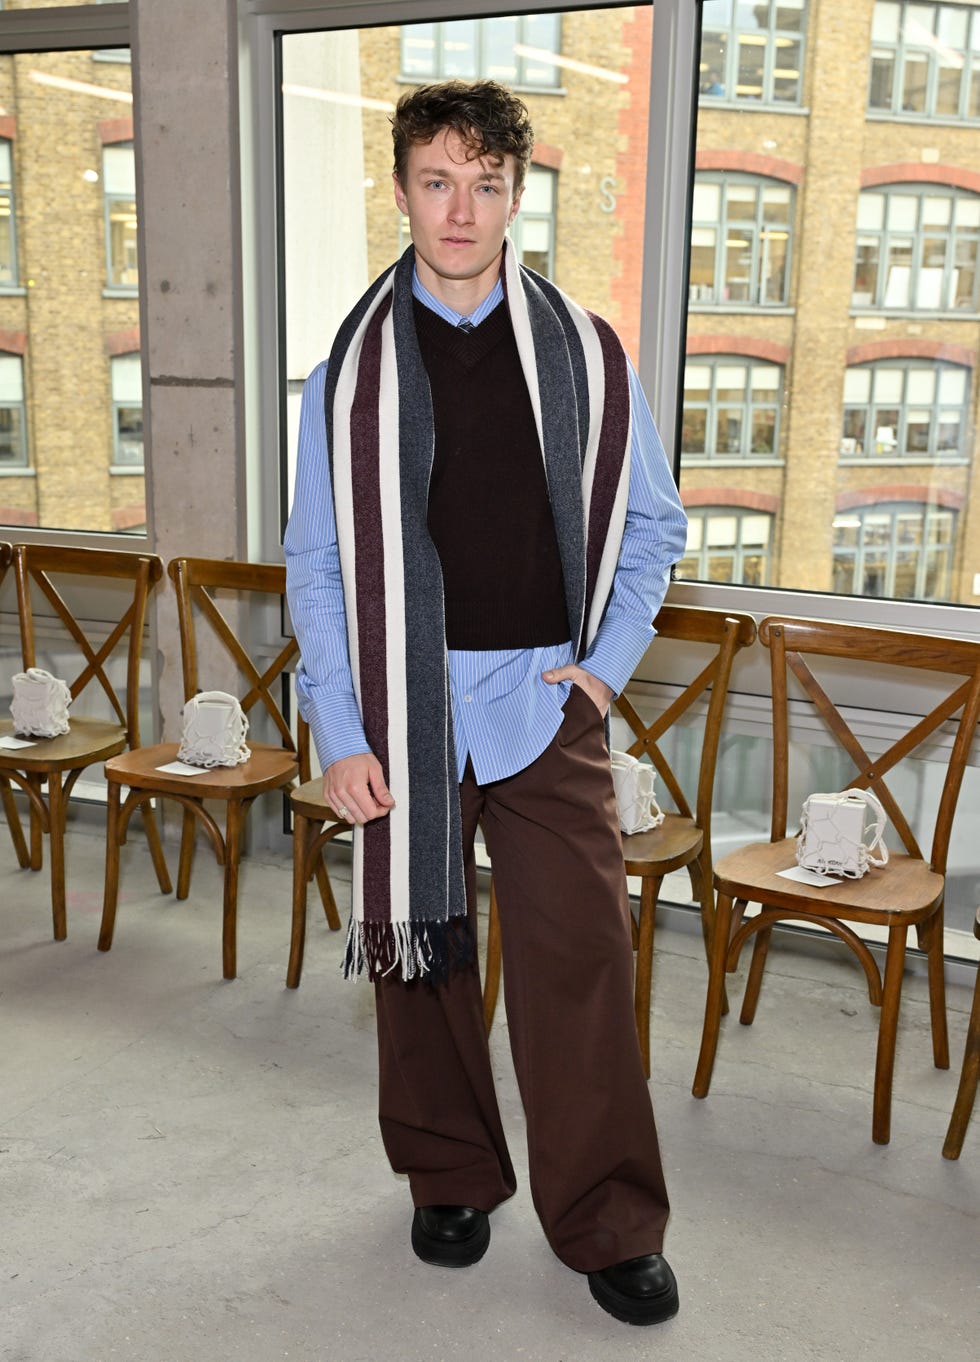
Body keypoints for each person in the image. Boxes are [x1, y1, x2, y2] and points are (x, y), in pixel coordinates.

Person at [285, 78, 688, 1327]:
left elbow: (652, 533)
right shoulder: (341, 377)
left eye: (487, 183)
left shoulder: (584, 352)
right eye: (436, 182)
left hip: (536, 696)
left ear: (518, 193)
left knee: (579, 957)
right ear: (401, 190)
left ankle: (608, 1220)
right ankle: (448, 1173)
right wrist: (340, 730)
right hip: (398, 706)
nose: (461, 210)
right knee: (421, 955)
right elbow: (315, 561)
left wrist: (602, 672)